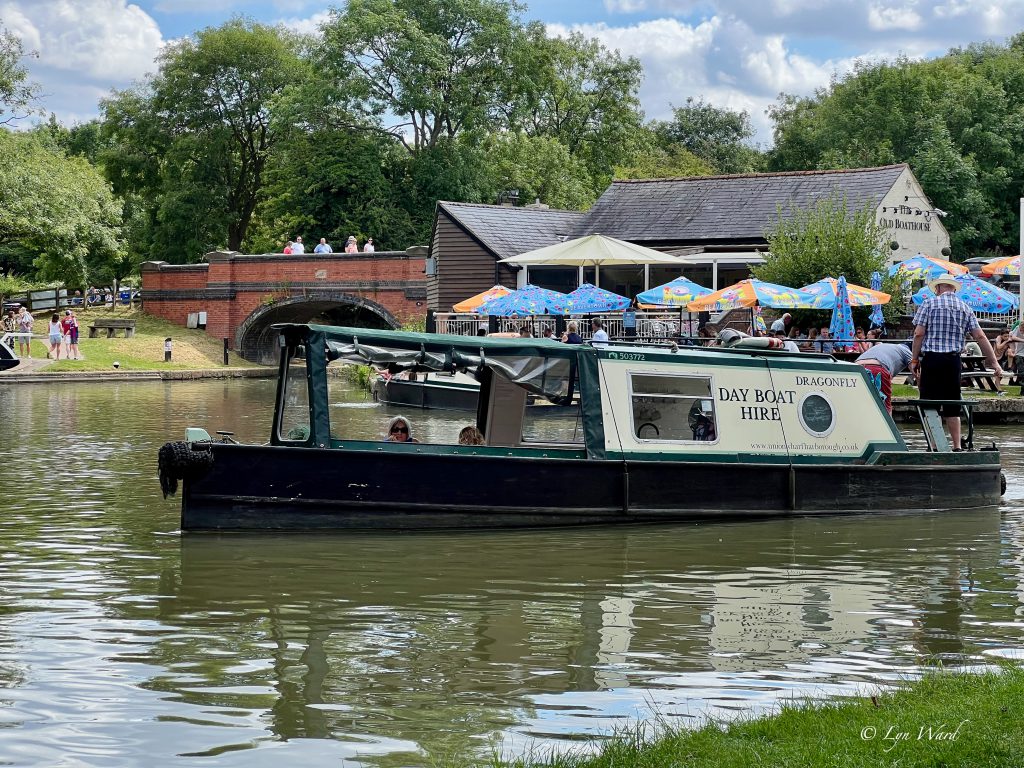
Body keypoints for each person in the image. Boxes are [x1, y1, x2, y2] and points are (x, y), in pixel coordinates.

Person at [911, 273, 1003, 449]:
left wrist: (914, 359)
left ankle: (934, 445)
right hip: (953, 361)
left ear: (938, 288)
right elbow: (980, 336)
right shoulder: (965, 307)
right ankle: (956, 446)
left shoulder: (928, 304)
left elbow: (919, 333)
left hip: (932, 359)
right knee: (953, 404)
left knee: (929, 404)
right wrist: (994, 363)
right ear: (954, 288)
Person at [856, 341, 912, 414]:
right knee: (885, 406)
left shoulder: (889, 347)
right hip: (877, 366)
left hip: (857, 367)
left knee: (861, 402)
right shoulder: (907, 351)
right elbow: (916, 372)